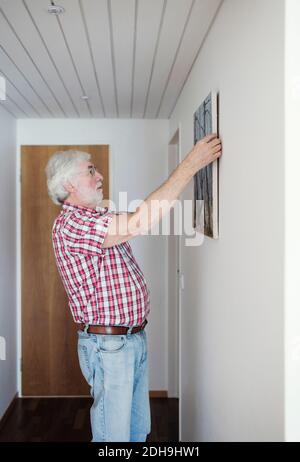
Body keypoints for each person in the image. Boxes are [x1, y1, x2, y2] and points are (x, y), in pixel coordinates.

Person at [45, 134, 222, 442]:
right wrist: (190, 165)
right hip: (109, 346)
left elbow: (142, 219)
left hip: (132, 339)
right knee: (113, 437)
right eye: (91, 170)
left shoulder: (97, 215)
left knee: (137, 431)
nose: (99, 176)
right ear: (69, 184)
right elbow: (138, 223)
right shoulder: (71, 224)